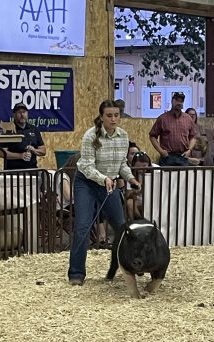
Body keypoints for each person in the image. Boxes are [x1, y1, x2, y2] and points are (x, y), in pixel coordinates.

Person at [68, 100, 141, 286]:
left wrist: (131, 178)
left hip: (108, 184)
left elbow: (122, 163)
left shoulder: (123, 136)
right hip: (86, 183)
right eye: (109, 115)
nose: (113, 119)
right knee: (83, 226)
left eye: (116, 115)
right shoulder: (91, 136)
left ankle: (131, 266)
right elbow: (86, 165)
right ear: (101, 117)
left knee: (121, 227)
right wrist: (104, 179)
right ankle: (76, 273)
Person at [149, 92, 196, 166]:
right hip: (167, 156)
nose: (179, 103)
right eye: (177, 100)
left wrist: (189, 150)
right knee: (166, 177)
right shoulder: (163, 118)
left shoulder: (188, 119)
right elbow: (152, 136)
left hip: (183, 156)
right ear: (172, 101)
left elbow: (193, 137)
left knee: (183, 177)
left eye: (181, 101)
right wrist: (161, 151)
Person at [0, 102, 46, 169]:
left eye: (24, 112)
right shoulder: (8, 130)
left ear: (27, 113)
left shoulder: (33, 129)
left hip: (32, 170)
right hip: (14, 172)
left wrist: (34, 150)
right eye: (19, 112)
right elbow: (1, 153)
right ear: (14, 115)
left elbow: (43, 151)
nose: (22, 115)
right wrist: (20, 156)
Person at [125, 151, 152, 220]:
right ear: (133, 165)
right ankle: (139, 222)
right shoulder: (130, 175)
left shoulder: (156, 170)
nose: (141, 169)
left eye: (144, 166)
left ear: (149, 164)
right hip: (138, 200)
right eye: (138, 166)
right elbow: (128, 195)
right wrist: (135, 192)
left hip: (152, 200)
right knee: (129, 203)